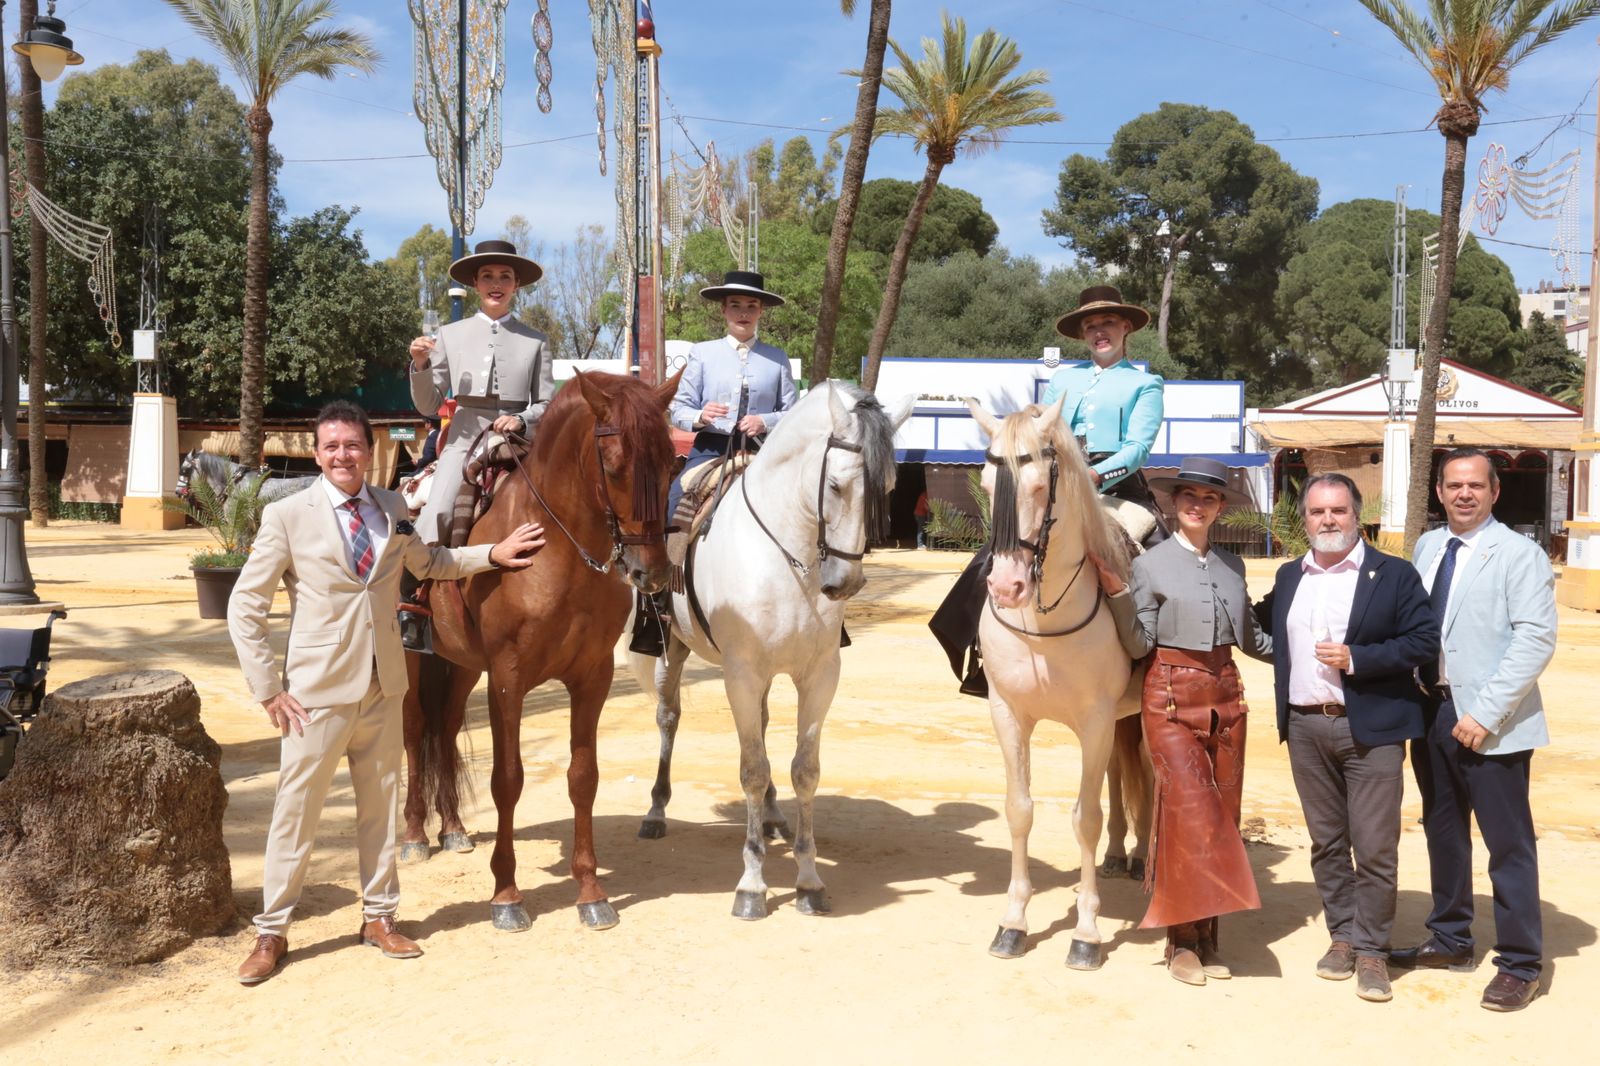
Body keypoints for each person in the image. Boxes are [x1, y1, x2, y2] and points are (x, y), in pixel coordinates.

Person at [227, 400, 546, 986]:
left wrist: (492, 555)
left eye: (353, 445)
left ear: (367, 451)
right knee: (294, 815)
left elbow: (431, 563)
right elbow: (245, 605)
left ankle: (379, 918)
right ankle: (271, 931)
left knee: (381, 812)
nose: (343, 455)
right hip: (315, 697)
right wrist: (269, 689)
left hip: (385, 688)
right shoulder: (288, 516)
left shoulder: (395, 508)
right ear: (318, 454)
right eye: (332, 447)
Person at [929, 285, 1165, 697]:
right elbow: (1040, 428)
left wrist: (1094, 477)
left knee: (1162, 560)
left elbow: (1137, 449)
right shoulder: (1064, 379)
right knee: (999, 549)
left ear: (1126, 327)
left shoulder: (1145, 384)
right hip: (1055, 483)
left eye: (1107, 323)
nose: (1099, 332)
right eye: (1091, 326)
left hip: (1119, 489)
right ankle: (982, 653)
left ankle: (1160, 668)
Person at [1256, 473, 1439, 1004]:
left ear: (1357, 516)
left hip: (1374, 729)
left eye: (1338, 511)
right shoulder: (1291, 575)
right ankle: (1342, 936)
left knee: (1376, 846)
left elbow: (1424, 639)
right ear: (1305, 520)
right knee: (1327, 842)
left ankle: (1374, 951)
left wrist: (1359, 659)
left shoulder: (1394, 575)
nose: (1328, 521)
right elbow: (1261, 627)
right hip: (1306, 725)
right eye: (1317, 512)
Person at [1392, 448, 1556, 1013]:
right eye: (1454, 485)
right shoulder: (1428, 547)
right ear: (1439, 491)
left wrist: (1484, 713)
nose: (1464, 494)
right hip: (1432, 713)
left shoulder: (1521, 554)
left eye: (1475, 486)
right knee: (1443, 832)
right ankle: (1450, 937)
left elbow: (1534, 639)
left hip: (1492, 723)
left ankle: (1520, 962)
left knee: (1508, 844)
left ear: (1494, 493)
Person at [1096, 457, 1271, 986]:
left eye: (1210, 498)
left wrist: (1319, 653)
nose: (1198, 505)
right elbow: (1140, 643)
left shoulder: (1233, 568)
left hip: (1228, 696)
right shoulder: (1148, 566)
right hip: (1169, 698)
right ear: (1174, 504)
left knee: (1223, 819)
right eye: (1188, 495)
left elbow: (1255, 641)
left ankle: (1207, 937)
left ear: (1220, 508)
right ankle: (1180, 944)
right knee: (1187, 815)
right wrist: (1120, 595)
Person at [628, 269, 797, 657]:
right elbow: (678, 409)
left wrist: (766, 420)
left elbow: (792, 412)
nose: (743, 312)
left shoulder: (776, 358)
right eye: (735, 305)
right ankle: (655, 611)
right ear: (724, 310)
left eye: (751, 305)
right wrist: (701, 416)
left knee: (807, 508)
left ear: (761, 313)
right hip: (709, 451)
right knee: (672, 505)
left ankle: (824, 611)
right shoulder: (702, 353)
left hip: (762, 453)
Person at [405, 240, 555, 649]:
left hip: (519, 439)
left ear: (516, 285)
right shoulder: (449, 335)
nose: (496, 283)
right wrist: (420, 365)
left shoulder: (535, 339)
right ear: (474, 283)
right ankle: (412, 605)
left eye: (505, 277)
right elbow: (429, 403)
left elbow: (546, 402)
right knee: (435, 508)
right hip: (466, 437)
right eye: (487, 276)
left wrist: (523, 417)